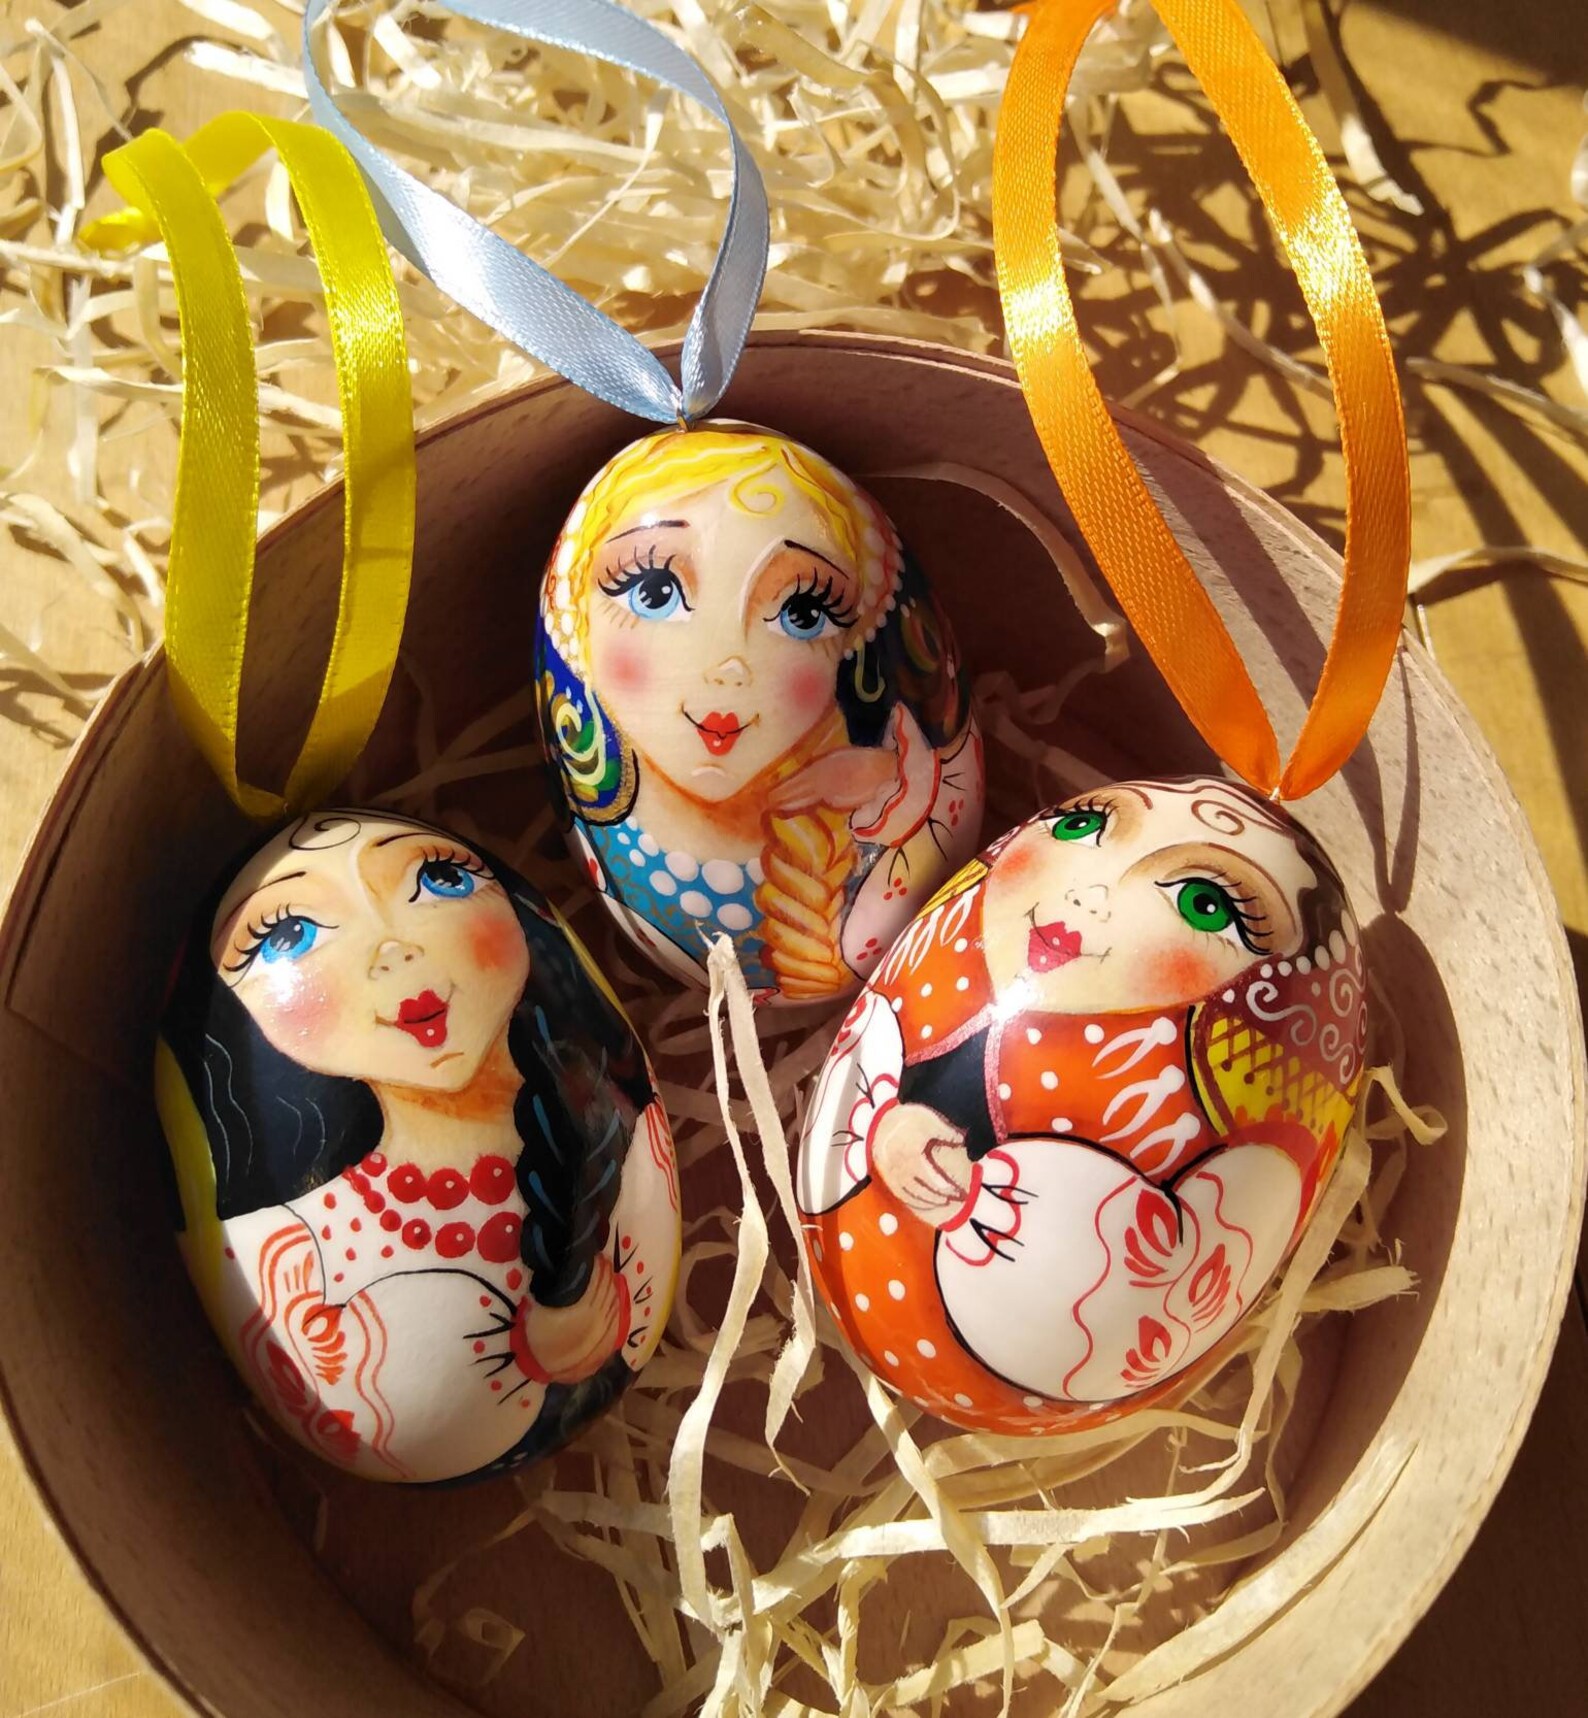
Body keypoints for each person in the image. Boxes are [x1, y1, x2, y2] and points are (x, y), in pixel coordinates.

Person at [797, 777, 1366, 1435]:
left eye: (1206, 905)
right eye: (1085, 826)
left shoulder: (1181, 1092)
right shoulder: (951, 965)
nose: (1090, 894)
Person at [158, 812, 680, 1483]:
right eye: (288, 934)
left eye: (438, 879)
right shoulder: (304, 1254)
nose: (393, 946)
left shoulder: (621, 1132)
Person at [537, 426, 984, 1002]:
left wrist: (896, 783)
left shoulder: (892, 810)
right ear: (576, 626)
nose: (728, 665)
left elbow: (931, 905)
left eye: (802, 611)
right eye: (654, 592)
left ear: (853, 654)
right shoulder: (613, 846)